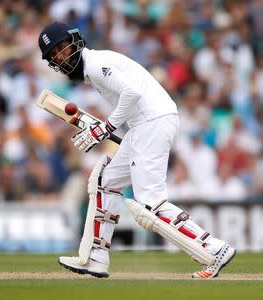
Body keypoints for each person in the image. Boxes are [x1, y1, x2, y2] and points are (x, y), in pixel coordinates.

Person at [38, 22, 236, 279]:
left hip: (152, 121)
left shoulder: (96, 64)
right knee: (105, 181)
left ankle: (214, 248)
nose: (61, 58)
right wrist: (104, 128)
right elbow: (129, 104)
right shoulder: (93, 69)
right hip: (144, 124)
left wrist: (106, 128)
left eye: (61, 49)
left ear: (74, 42)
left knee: (150, 205)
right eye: (54, 56)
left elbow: (132, 94)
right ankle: (96, 258)